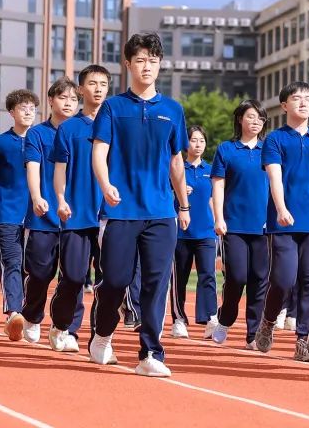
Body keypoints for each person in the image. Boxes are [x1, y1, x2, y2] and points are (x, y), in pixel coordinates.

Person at [89, 32, 190, 377]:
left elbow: (176, 162)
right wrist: (106, 185)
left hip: (161, 212)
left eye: (153, 60)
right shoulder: (113, 108)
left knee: (155, 284)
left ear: (160, 65)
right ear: (128, 64)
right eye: (141, 60)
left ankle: (150, 353)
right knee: (116, 281)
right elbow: (99, 152)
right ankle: (102, 334)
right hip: (120, 210)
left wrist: (184, 205)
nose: (147, 66)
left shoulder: (173, 110)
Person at [254, 82, 309, 359]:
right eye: (297, 98)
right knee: (283, 280)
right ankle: (268, 320)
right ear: (284, 105)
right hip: (284, 221)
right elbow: (274, 177)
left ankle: (302, 338)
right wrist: (281, 209)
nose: (303, 102)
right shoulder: (275, 139)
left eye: (308, 98)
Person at [9, 78, 80, 345]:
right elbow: (33, 167)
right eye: (63, 98)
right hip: (44, 216)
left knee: (74, 276)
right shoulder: (38, 134)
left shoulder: (84, 132)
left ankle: (65, 327)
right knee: (40, 273)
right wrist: (37, 196)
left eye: (74, 99)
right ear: (51, 100)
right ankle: (32, 315)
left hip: (77, 217)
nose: (69, 103)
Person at [49, 64, 110, 352]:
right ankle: (62, 325)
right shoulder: (68, 128)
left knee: (107, 280)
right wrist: (61, 199)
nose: (98, 89)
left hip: (110, 215)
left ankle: (98, 336)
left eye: (103, 84)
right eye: (92, 83)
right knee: (73, 277)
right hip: (76, 213)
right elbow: (60, 170)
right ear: (81, 89)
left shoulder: (115, 125)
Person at [211, 99, 269, 349]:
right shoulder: (226, 149)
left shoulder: (269, 149)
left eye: (260, 118)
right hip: (233, 224)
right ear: (239, 119)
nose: (256, 122)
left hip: (264, 226)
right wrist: (219, 217)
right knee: (236, 277)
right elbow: (218, 185)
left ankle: (253, 334)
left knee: (259, 280)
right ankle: (225, 318)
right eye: (251, 116)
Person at [0, 89, 39, 327]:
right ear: (11, 112)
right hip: (7, 214)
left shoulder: (43, 139)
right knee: (12, 263)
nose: (28, 112)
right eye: (23, 108)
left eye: (32, 108)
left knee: (34, 267)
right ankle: (14, 313)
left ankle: (31, 313)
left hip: (38, 215)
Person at [169, 125, 218, 339]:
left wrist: (218, 222)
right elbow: (165, 194)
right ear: (185, 143)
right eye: (193, 140)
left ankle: (210, 318)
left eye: (201, 140)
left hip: (206, 232)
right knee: (179, 278)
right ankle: (178, 320)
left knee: (208, 275)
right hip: (181, 232)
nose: (198, 144)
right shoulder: (176, 168)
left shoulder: (211, 170)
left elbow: (214, 199)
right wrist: (177, 191)